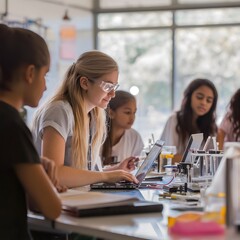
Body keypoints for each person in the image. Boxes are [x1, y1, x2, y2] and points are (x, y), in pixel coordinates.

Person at [31, 50, 138, 188]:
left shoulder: (94, 115)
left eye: (114, 87)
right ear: (85, 83)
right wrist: (107, 176)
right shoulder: (59, 111)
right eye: (107, 86)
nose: (112, 94)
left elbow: (85, 174)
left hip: (79, 198)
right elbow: (54, 174)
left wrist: (117, 171)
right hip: (61, 202)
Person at [0, 24, 62, 240]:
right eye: (45, 74)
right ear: (30, 73)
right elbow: (51, 208)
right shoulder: (11, 123)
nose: (45, 86)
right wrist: (47, 177)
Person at [160, 78, 218, 162]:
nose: (204, 103)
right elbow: (168, 156)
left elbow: (212, 158)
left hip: (199, 174)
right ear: (189, 96)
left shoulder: (211, 126)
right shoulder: (174, 120)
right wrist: (199, 159)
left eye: (209, 100)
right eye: (199, 97)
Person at [101, 90, 144, 166]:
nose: (132, 117)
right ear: (111, 113)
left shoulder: (134, 136)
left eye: (134, 112)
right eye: (127, 112)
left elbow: (138, 165)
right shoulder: (97, 135)